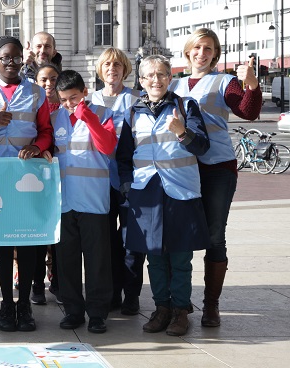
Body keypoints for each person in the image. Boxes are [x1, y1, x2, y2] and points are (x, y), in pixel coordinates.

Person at [170, 28, 262, 328]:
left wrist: (251, 86)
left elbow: (248, 112)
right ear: (187, 51)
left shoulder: (225, 82)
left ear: (215, 53)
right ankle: (178, 301)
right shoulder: (175, 83)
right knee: (179, 237)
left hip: (216, 168)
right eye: (196, 47)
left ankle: (211, 305)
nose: (201, 53)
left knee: (214, 236)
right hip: (183, 167)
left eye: (208, 48)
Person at [117, 55, 211, 336]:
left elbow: (202, 147)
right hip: (146, 191)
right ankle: (162, 309)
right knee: (154, 257)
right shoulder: (132, 112)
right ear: (142, 81)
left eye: (161, 74)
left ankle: (181, 310)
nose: (155, 80)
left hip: (180, 190)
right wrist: (126, 186)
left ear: (170, 78)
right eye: (149, 76)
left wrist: (182, 132)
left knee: (180, 257)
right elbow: (123, 156)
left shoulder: (185, 105)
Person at [0, 36, 53, 332]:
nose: (11, 63)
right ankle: (7, 303)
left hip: (25, 176)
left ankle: (25, 303)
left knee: (28, 239)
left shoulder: (35, 93)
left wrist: (36, 147)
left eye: (16, 58)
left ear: (24, 60)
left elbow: (46, 131)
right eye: (5, 58)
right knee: (4, 242)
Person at [51, 70, 116, 334]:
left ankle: (98, 313)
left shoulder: (102, 113)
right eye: (64, 99)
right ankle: (73, 310)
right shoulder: (55, 117)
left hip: (93, 199)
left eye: (74, 98)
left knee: (97, 260)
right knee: (66, 260)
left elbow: (107, 146)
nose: (69, 104)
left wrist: (86, 116)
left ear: (85, 92)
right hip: (64, 200)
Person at [90, 47, 145, 316]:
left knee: (132, 239)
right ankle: (111, 291)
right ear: (100, 70)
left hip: (131, 178)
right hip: (98, 180)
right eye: (107, 65)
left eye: (118, 65)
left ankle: (132, 293)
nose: (113, 69)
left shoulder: (139, 99)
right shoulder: (90, 100)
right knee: (107, 241)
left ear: (126, 69)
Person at [30, 63, 61, 306]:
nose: (48, 83)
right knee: (40, 235)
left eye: (53, 78)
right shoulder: (34, 104)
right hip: (37, 176)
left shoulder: (68, 105)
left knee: (59, 236)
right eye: (43, 79)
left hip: (62, 178)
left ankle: (58, 281)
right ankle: (37, 284)